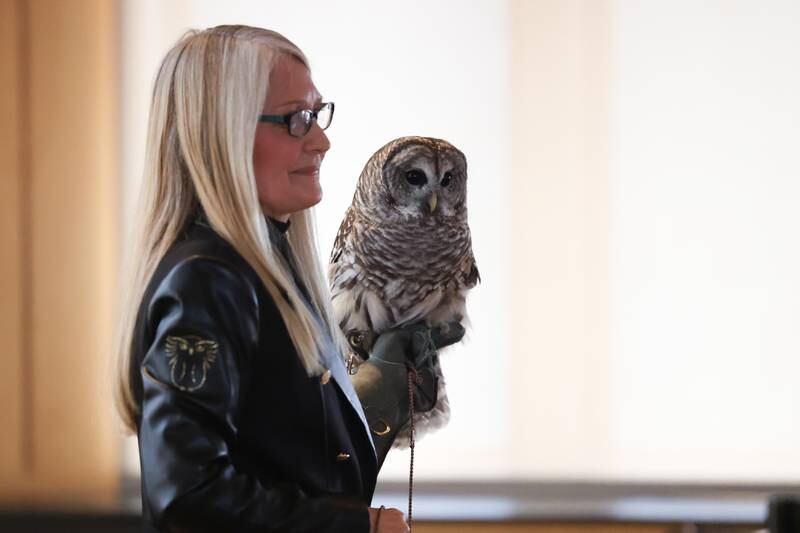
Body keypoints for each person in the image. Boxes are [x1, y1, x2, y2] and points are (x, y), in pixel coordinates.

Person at [113, 25, 463, 533]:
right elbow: (187, 497)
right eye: (297, 119)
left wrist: (380, 390)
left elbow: (290, 457)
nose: (322, 140)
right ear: (223, 131)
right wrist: (361, 525)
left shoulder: (268, 263)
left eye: (318, 114)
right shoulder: (207, 282)